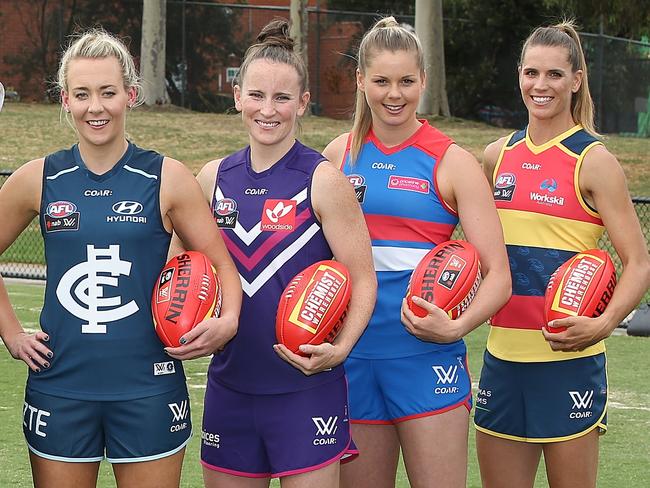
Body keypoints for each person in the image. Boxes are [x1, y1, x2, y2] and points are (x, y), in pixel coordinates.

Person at [0, 29, 242, 488]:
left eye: (108, 92)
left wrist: (227, 320)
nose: (96, 107)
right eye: (82, 94)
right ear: (65, 101)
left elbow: (221, 266)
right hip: (60, 386)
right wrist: (11, 333)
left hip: (148, 387)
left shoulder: (167, 178)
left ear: (131, 95)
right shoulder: (39, 178)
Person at [171, 19, 376, 488]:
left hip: (307, 389)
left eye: (282, 98)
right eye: (257, 95)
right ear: (237, 95)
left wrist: (340, 349)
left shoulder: (323, 179)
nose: (268, 110)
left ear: (302, 103)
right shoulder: (211, 178)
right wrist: (186, 323)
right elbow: (178, 267)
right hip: (231, 388)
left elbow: (363, 278)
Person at [322, 17, 511, 488]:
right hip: (352, 358)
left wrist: (457, 326)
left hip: (425, 357)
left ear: (424, 81)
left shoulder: (454, 162)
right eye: (382, 81)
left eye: (407, 81)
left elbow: (499, 276)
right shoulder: (335, 157)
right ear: (361, 80)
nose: (395, 93)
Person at [474, 20, 650, 488]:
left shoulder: (593, 161)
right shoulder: (496, 156)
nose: (541, 85)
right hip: (502, 362)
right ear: (519, 76)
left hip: (569, 362)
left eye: (554, 74)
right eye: (532, 73)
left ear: (575, 81)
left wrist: (604, 323)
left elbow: (639, 263)